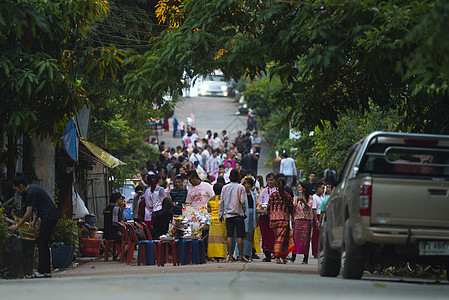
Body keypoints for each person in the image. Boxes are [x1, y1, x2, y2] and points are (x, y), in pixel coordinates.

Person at [9, 176, 59, 278]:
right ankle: (46, 271)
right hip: (50, 216)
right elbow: (40, 206)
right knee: (42, 242)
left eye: (16, 189)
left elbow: (28, 213)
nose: (17, 192)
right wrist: (34, 220)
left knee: (41, 241)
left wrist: (17, 225)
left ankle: (42, 270)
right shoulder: (33, 189)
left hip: (49, 217)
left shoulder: (31, 192)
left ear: (21, 186)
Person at [218, 169, 248, 262]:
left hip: (228, 215)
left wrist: (220, 214)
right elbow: (243, 201)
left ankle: (230, 256)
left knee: (229, 236)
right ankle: (240, 256)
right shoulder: (241, 187)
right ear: (238, 176)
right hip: (238, 214)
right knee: (240, 236)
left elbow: (221, 202)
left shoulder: (225, 187)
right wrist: (243, 210)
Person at [267, 177, 295, 264]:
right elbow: (291, 209)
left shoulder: (272, 195)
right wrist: (293, 220)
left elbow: (268, 208)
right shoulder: (288, 196)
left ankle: (283, 257)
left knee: (280, 238)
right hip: (283, 219)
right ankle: (277, 256)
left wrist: (270, 219)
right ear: (285, 184)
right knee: (281, 238)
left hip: (274, 219)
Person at [292, 182, 313, 264]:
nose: (298, 189)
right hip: (298, 219)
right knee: (295, 238)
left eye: (300, 187)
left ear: (304, 189)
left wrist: (303, 201)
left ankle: (305, 257)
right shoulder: (297, 198)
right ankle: (294, 256)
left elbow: (309, 207)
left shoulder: (310, 198)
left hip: (306, 220)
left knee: (305, 239)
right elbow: (293, 207)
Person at [257, 173, 276, 262]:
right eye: (268, 180)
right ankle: (267, 254)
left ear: (275, 180)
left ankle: (275, 253)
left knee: (274, 235)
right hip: (264, 215)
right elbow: (259, 203)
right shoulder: (263, 191)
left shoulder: (278, 191)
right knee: (265, 235)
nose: (270, 182)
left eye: (271, 180)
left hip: (275, 216)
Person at [207, 183, 227, 262]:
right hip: (222, 220)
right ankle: (221, 256)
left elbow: (208, 210)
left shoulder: (210, 199)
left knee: (213, 239)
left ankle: (214, 256)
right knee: (222, 239)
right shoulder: (224, 199)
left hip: (213, 221)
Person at [242, 177, 257, 260]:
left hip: (251, 216)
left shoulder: (252, 194)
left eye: (248, 184)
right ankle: (241, 253)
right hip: (244, 215)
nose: (247, 185)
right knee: (242, 235)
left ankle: (248, 253)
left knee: (250, 235)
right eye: (245, 183)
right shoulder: (241, 193)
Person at [311, 181, 325, 258]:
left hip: (322, 216)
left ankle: (320, 251)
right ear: (318, 188)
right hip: (317, 216)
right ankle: (315, 251)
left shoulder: (322, 197)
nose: (323, 190)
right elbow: (314, 209)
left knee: (321, 235)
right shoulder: (314, 197)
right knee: (316, 235)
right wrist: (317, 220)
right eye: (322, 188)